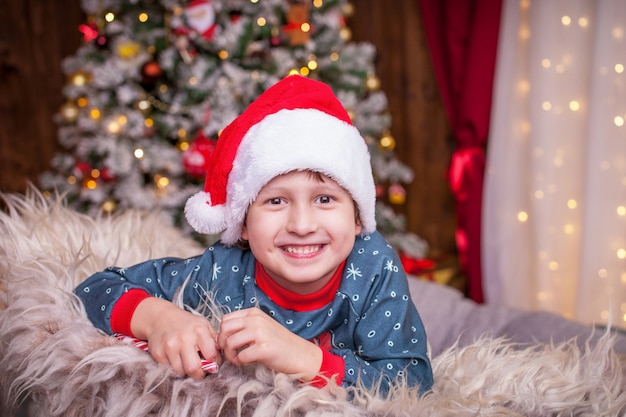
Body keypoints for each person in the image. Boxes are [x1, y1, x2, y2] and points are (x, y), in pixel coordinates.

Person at [74, 74, 433, 394]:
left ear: (357, 217)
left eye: (325, 199)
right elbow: (93, 290)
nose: (302, 225)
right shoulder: (222, 269)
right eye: (276, 201)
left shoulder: (372, 266)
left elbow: (411, 383)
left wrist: (304, 358)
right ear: (243, 223)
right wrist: (159, 319)